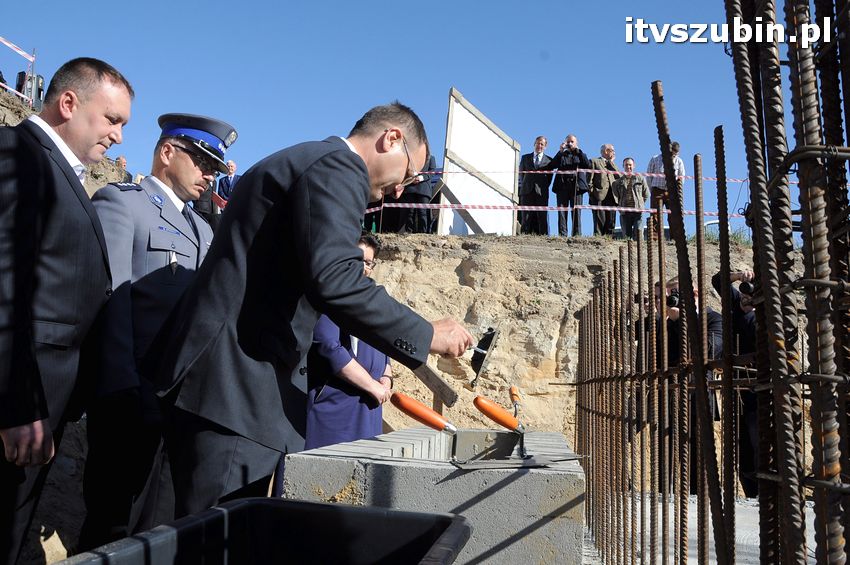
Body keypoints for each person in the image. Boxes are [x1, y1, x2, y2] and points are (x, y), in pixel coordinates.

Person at [146, 101, 473, 518]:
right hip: (236, 394)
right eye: (407, 174)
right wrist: (427, 334)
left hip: (211, 388)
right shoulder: (338, 168)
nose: (399, 191)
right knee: (213, 542)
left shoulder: (303, 158)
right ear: (391, 138)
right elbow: (336, 279)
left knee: (171, 538)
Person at [78, 114, 237, 550]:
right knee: (112, 528)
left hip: (180, 407)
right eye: (203, 162)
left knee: (160, 529)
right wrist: (121, 391)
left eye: (215, 168)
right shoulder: (123, 203)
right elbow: (110, 305)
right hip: (131, 398)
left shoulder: (204, 229)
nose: (210, 175)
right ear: (168, 153)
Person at [0, 57, 133, 565]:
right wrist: (17, 405)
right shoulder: (19, 155)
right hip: (19, 406)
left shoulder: (63, 174)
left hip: (41, 406)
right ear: (68, 103)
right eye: (112, 119)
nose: (119, 137)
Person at [305, 232, 393, 449]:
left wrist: (386, 376)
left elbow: (386, 344)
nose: (363, 267)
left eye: (369, 263)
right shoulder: (330, 294)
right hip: (336, 409)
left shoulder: (374, 297)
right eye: (358, 259)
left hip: (369, 409)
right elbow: (329, 347)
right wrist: (372, 385)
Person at [712, 269, 758, 497]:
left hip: (757, 390)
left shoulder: (762, 319)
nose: (749, 295)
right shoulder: (734, 306)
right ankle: (751, 493)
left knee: (757, 439)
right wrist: (740, 275)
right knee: (741, 447)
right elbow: (717, 280)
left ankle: (764, 492)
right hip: (736, 389)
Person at [541, 134, 590, 237]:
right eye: (568, 142)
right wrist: (560, 152)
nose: (570, 144)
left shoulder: (579, 154)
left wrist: (579, 151)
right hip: (562, 186)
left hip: (577, 187)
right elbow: (552, 165)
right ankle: (562, 235)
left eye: (572, 142)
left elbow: (587, 165)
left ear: (576, 143)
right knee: (562, 212)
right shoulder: (562, 155)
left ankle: (577, 235)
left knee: (576, 212)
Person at [518, 136, 552, 235]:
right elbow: (522, 174)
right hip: (527, 190)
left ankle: (543, 237)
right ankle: (524, 236)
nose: (539, 146)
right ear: (534, 144)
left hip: (541, 192)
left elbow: (549, 178)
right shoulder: (525, 157)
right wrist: (527, 184)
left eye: (542, 144)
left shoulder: (549, 160)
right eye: (538, 143)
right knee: (526, 216)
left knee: (542, 216)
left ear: (545, 146)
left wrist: (542, 186)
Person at [611, 157, 649, 240]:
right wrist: (620, 206)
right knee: (627, 237)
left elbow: (646, 194)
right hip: (625, 213)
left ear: (634, 166)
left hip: (638, 212)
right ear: (623, 166)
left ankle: (639, 252)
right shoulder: (618, 182)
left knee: (639, 235)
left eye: (630, 165)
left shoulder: (641, 179)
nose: (628, 167)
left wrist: (640, 203)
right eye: (626, 165)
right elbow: (616, 196)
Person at [396, 154, 436, 233]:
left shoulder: (431, 157)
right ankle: (407, 232)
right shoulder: (411, 156)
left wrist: (421, 178)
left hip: (423, 189)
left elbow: (432, 171)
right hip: (410, 187)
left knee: (423, 212)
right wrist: (411, 177)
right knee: (409, 212)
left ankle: (423, 233)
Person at [588, 144, 619, 236]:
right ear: (606, 151)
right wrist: (593, 194)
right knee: (599, 222)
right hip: (599, 196)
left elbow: (620, 177)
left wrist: (611, 163)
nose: (614, 152)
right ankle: (599, 241)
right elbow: (589, 180)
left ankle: (609, 241)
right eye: (612, 150)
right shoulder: (594, 161)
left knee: (611, 222)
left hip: (612, 197)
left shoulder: (613, 164)